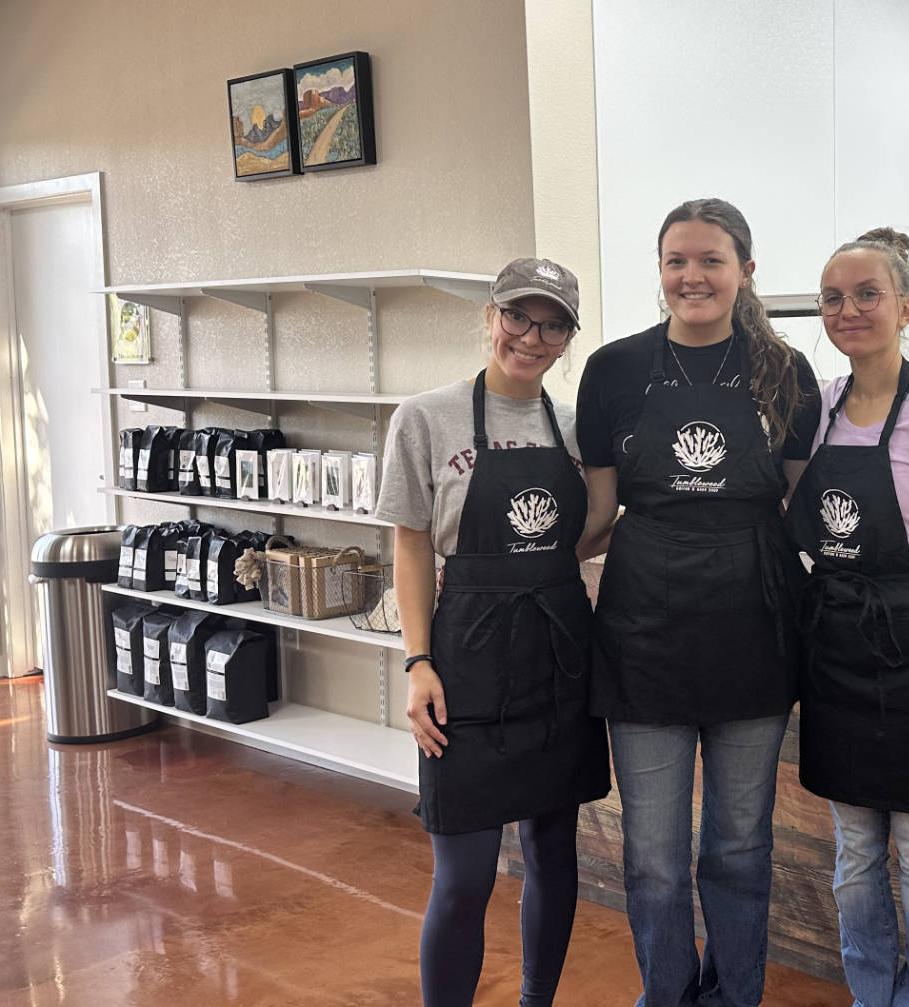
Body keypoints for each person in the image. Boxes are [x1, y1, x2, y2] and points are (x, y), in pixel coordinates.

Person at [576, 198, 821, 1007]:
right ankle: (669, 994)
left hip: (754, 620)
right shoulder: (613, 370)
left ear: (745, 271)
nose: (693, 276)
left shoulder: (785, 372)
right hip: (644, 624)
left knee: (740, 845)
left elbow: (800, 509)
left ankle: (734, 996)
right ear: (660, 271)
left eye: (711, 260)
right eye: (677, 260)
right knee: (651, 852)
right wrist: (500, 559)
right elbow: (599, 516)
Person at [376, 257, 611, 1007]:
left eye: (552, 324)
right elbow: (411, 543)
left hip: (557, 654)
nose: (531, 337)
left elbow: (596, 524)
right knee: (466, 873)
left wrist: (534, 564)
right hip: (466, 656)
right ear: (490, 316)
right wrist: (417, 661)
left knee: (552, 850)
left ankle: (535, 1000)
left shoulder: (576, 428)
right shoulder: (426, 416)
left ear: (569, 337)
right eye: (518, 316)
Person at [787, 228, 909, 1007]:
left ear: (905, 307)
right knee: (855, 856)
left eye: (867, 294)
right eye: (833, 298)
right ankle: (874, 997)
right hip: (836, 647)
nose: (849, 310)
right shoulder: (821, 408)